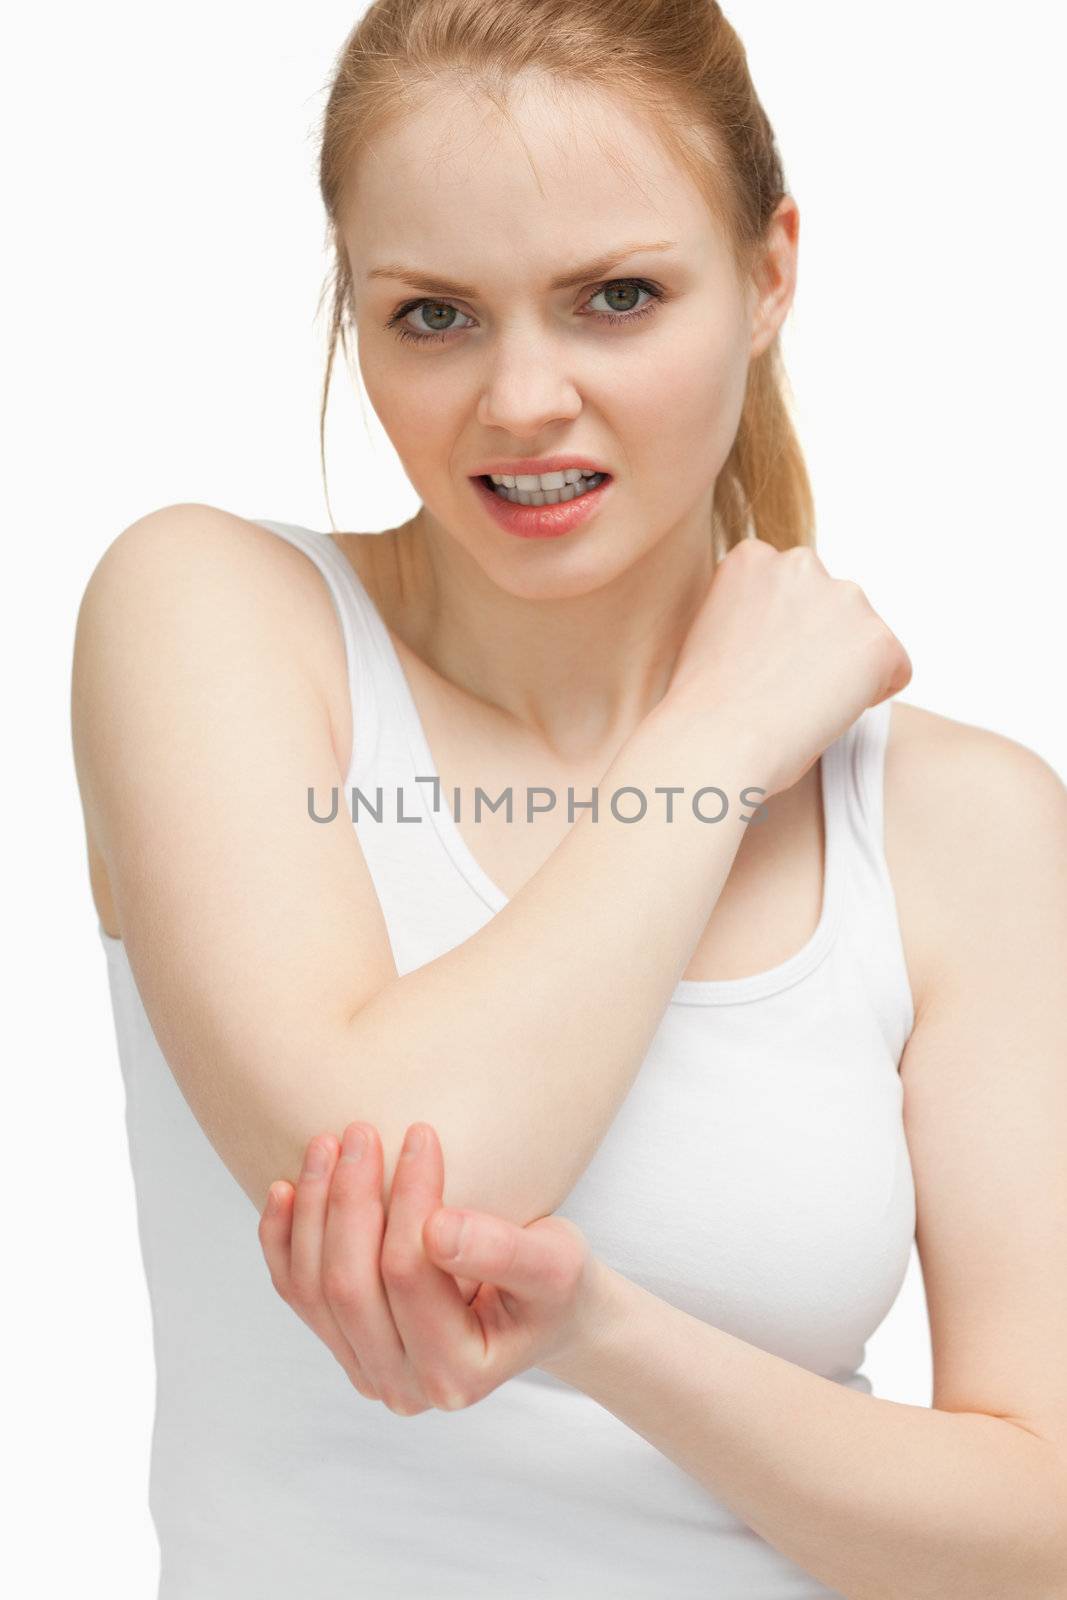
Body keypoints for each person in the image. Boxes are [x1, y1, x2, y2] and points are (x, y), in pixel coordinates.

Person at [71, 2, 1067, 1596]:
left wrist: (606, 1336)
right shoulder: (213, 614)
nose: (523, 401)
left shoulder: (964, 825)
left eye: (617, 298)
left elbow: (1040, 1530)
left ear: (770, 274)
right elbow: (408, 1182)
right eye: (436, 316)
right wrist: (714, 742)